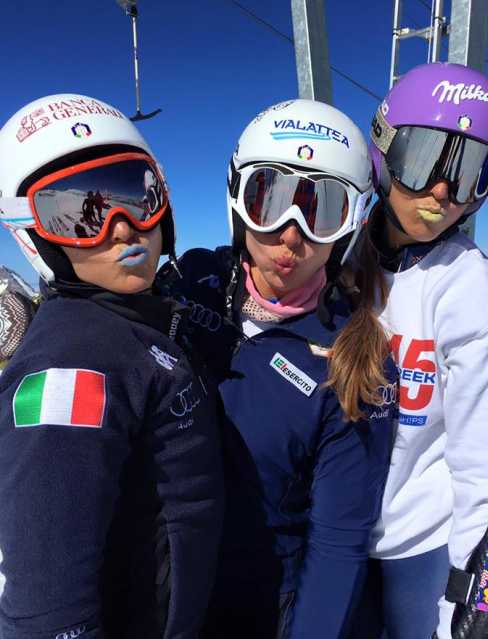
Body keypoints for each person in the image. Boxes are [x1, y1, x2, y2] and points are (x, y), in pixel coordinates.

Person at [156, 98, 397, 639]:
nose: (291, 234)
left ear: (349, 226)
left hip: (259, 607)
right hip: (161, 590)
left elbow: (338, 541)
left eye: (323, 210)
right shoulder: (190, 286)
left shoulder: (352, 356)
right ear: (239, 201)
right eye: (269, 199)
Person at [0, 93, 224, 638]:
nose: (122, 228)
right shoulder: (69, 370)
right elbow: (46, 607)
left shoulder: (135, 324)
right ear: (33, 234)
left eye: (135, 196)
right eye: (79, 216)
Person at [347, 63, 488, 639]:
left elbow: (487, 474)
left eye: (471, 172)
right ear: (384, 149)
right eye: (424, 158)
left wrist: (464, 610)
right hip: (328, 535)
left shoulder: (476, 295)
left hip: (418, 552)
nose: (443, 191)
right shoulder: (333, 257)